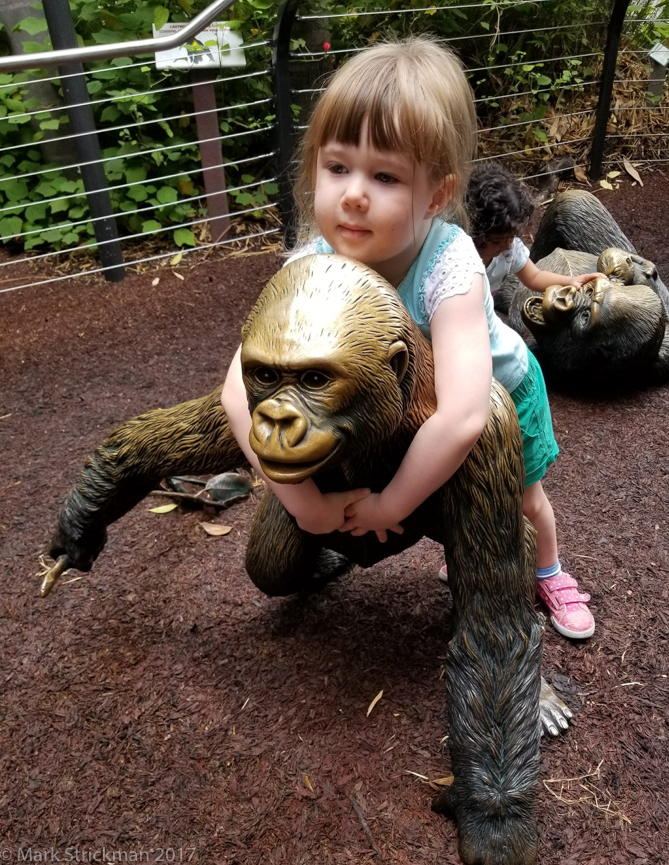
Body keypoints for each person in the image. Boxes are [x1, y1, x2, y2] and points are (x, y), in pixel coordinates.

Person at [221, 36, 595, 639]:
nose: (354, 193)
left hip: (498, 393)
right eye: (337, 167)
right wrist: (301, 502)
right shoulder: (311, 263)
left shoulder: (451, 268)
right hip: (406, 402)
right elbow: (237, 393)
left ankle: (549, 571)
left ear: (438, 194)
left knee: (521, 501)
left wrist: (389, 507)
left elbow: (463, 416)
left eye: (386, 176)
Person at [466, 160, 604, 296]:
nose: (507, 245)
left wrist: (571, 281)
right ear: (475, 233)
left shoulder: (510, 249)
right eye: (496, 241)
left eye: (511, 237)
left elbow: (534, 276)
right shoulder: (459, 257)